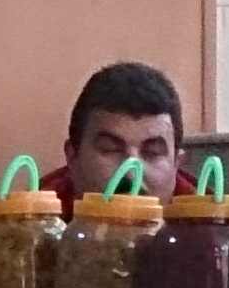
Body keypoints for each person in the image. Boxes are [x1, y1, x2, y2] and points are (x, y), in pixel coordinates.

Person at [45, 60, 191, 206]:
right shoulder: (35, 218)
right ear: (72, 158)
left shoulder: (203, 218)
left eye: (153, 152)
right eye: (110, 149)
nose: (131, 174)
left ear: (176, 163)